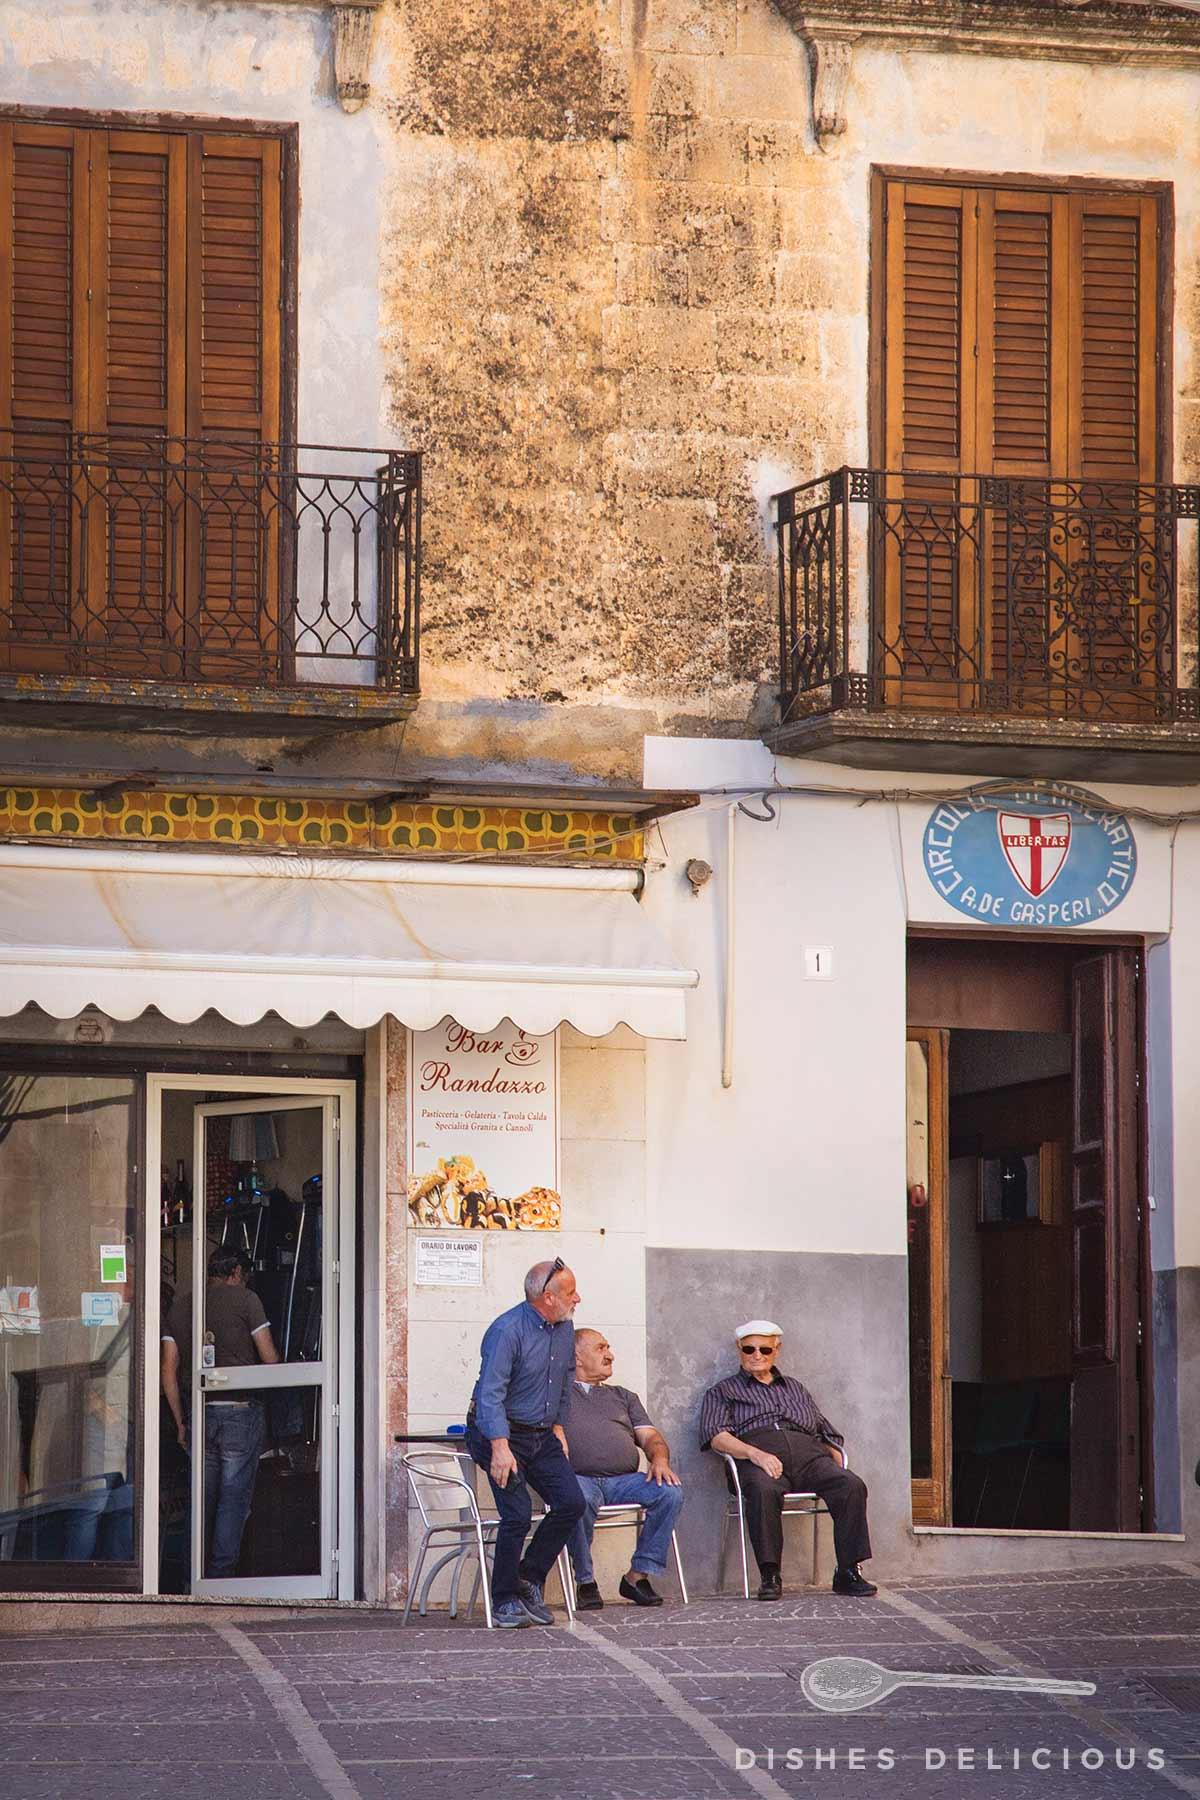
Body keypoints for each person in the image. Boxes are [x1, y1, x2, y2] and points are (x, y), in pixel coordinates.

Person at [700, 1317, 876, 1601]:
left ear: (776, 1350)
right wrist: (755, 1454)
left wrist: (833, 1454)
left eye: (764, 1350)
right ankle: (770, 1575)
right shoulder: (723, 1391)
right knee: (762, 1488)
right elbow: (715, 1435)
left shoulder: (795, 1387)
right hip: (757, 1454)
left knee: (850, 1484)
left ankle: (847, 1572)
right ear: (739, 1349)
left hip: (808, 1454)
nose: (757, 1355)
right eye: (749, 1349)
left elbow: (824, 1429)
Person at [465, 1257, 587, 1629]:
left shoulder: (564, 1328)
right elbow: (490, 1395)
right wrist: (500, 1447)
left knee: (571, 1503)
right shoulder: (507, 1330)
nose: (578, 1298)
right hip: (499, 1431)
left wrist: (559, 1428)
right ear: (547, 1297)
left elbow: (564, 1379)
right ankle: (503, 1600)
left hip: (541, 1432)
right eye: (570, 1293)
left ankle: (529, 1579)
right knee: (516, 1514)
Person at [161, 1247, 280, 1578]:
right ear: (238, 1272)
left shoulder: (183, 1306)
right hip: (240, 1413)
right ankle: (220, 1581)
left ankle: (190, 1580)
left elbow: (167, 1370)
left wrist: (180, 1421)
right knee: (232, 1502)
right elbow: (269, 1360)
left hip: (200, 1414)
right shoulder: (246, 1299)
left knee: (202, 1501)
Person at [563, 1327, 683, 1610]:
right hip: (578, 1479)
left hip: (624, 1480)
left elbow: (651, 1438)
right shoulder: (558, 1394)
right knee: (577, 1499)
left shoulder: (624, 1397)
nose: (610, 1355)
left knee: (670, 1492)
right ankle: (585, 1581)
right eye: (601, 1348)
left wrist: (660, 1460)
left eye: (608, 1348)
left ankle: (636, 1576)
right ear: (577, 1357)